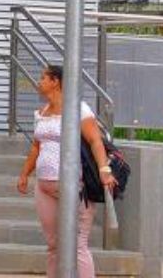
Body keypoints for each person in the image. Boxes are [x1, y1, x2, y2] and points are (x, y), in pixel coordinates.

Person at [16, 65, 117, 278]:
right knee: (53, 244)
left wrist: (104, 169)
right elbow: (36, 146)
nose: (39, 81)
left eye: (43, 77)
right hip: (44, 186)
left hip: (74, 185)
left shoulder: (78, 109)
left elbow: (95, 141)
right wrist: (25, 174)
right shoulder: (42, 112)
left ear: (56, 82)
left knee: (77, 244)